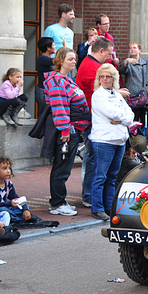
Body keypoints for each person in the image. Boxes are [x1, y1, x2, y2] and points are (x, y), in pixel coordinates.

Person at [44, 47, 90, 216]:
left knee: (64, 167)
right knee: (61, 167)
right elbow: (59, 108)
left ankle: (59, 201)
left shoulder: (66, 79)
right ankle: (57, 203)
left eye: (75, 59)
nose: (74, 62)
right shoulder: (57, 81)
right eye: (70, 59)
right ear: (60, 60)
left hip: (73, 129)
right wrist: (65, 131)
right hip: (67, 131)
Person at [76, 36, 120, 208]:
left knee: (95, 161)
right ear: (101, 51)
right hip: (93, 121)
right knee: (93, 160)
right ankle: (89, 196)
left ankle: (95, 197)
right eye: (108, 54)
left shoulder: (91, 65)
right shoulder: (91, 66)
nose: (110, 57)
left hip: (96, 120)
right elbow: (99, 93)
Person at [89, 64, 134, 221]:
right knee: (100, 176)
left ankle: (109, 207)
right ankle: (97, 208)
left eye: (108, 76)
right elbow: (113, 114)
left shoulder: (117, 94)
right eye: (102, 76)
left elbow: (130, 114)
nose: (105, 79)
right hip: (104, 140)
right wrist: (123, 119)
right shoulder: (98, 95)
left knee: (113, 176)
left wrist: (122, 120)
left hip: (119, 140)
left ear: (114, 79)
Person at [0, 156, 32, 223]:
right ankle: (18, 220)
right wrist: (9, 203)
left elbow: (15, 197)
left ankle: (18, 217)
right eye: (4, 168)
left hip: (6, 207)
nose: (8, 171)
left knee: (21, 208)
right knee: (5, 211)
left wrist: (25, 209)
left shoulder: (9, 184)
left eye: (9, 168)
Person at [36, 36, 55, 116]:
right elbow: (58, 61)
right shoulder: (42, 58)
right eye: (53, 45)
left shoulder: (49, 58)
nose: (55, 47)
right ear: (48, 48)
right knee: (43, 114)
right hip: (43, 91)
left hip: (49, 90)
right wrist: (64, 49)